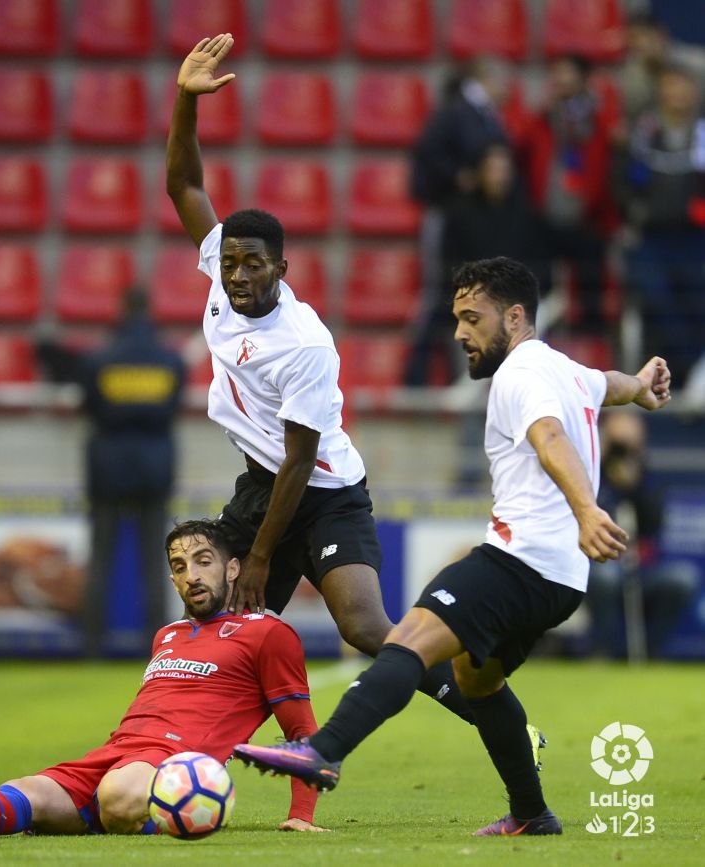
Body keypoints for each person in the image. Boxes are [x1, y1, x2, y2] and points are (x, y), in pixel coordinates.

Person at [234, 257, 672, 837]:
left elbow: (549, 437)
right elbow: (606, 384)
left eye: (473, 318)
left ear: (515, 319)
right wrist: (639, 387)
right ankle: (531, 813)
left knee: (410, 637)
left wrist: (587, 508)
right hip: (563, 579)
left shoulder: (521, 375)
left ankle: (324, 752)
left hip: (522, 560)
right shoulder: (564, 369)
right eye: (457, 319)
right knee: (477, 681)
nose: (460, 333)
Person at [163, 34, 482, 728]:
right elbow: (185, 185)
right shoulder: (221, 274)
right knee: (224, 623)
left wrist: (262, 557)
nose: (239, 275)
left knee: (367, 630)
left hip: (325, 492)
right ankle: (183, 748)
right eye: (232, 263)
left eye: (255, 265)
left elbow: (303, 459)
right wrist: (186, 101)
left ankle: (488, 710)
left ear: (281, 267)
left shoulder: (304, 343)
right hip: (264, 481)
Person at [0, 519, 328, 835]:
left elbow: (301, 731)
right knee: (23, 793)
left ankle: (174, 814)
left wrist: (300, 815)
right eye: (179, 567)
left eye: (204, 562)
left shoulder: (268, 634)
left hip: (172, 765)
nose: (191, 575)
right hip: (113, 755)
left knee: (117, 797)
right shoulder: (168, 634)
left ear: (234, 568)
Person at [37, 289, 185, 656]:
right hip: (154, 466)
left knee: (101, 556)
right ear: (150, 311)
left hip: (107, 467)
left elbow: (88, 406)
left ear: (121, 311)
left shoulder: (101, 361)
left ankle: (91, 644)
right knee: (156, 560)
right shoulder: (170, 361)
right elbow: (172, 410)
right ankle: (158, 644)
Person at [406, 57, 516, 385]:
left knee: (455, 299)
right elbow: (425, 153)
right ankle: (415, 376)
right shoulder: (458, 112)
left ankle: (434, 376)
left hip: (468, 221)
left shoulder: (476, 114)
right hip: (448, 219)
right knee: (440, 294)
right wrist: (457, 176)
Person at [613, 62, 705, 391]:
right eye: (671, 85)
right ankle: (688, 374)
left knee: (699, 304)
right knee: (658, 305)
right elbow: (624, 180)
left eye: (683, 85)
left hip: (696, 239)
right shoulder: (643, 132)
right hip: (652, 239)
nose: (677, 93)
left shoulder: (701, 131)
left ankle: (694, 380)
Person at [586, 411, 699, 658]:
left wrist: (633, 487)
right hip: (598, 565)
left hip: (641, 568)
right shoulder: (589, 474)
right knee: (605, 578)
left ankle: (647, 653)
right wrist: (608, 470)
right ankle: (602, 652)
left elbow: (654, 525)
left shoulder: (646, 478)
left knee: (683, 578)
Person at [522, 55, 615, 334]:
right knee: (540, 292)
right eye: (557, 71)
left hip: (588, 219)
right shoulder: (543, 117)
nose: (561, 78)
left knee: (591, 296)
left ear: (583, 78)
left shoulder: (601, 119)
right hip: (545, 218)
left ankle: (591, 360)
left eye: (567, 72)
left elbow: (606, 166)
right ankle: (537, 347)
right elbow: (523, 149)